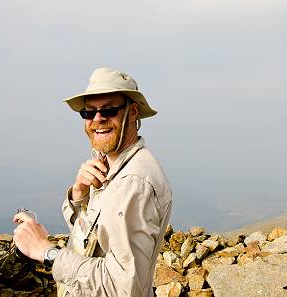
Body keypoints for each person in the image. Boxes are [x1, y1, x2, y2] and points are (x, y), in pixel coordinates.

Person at [12, 67, 173, 297]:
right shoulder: (109, 165)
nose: (97, 119)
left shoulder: (132, 183)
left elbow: (124, 288)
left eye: (109, 110)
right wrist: (80, 195)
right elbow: (98, 242)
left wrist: (47, 252)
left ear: (133, 112)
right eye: (89, 112)